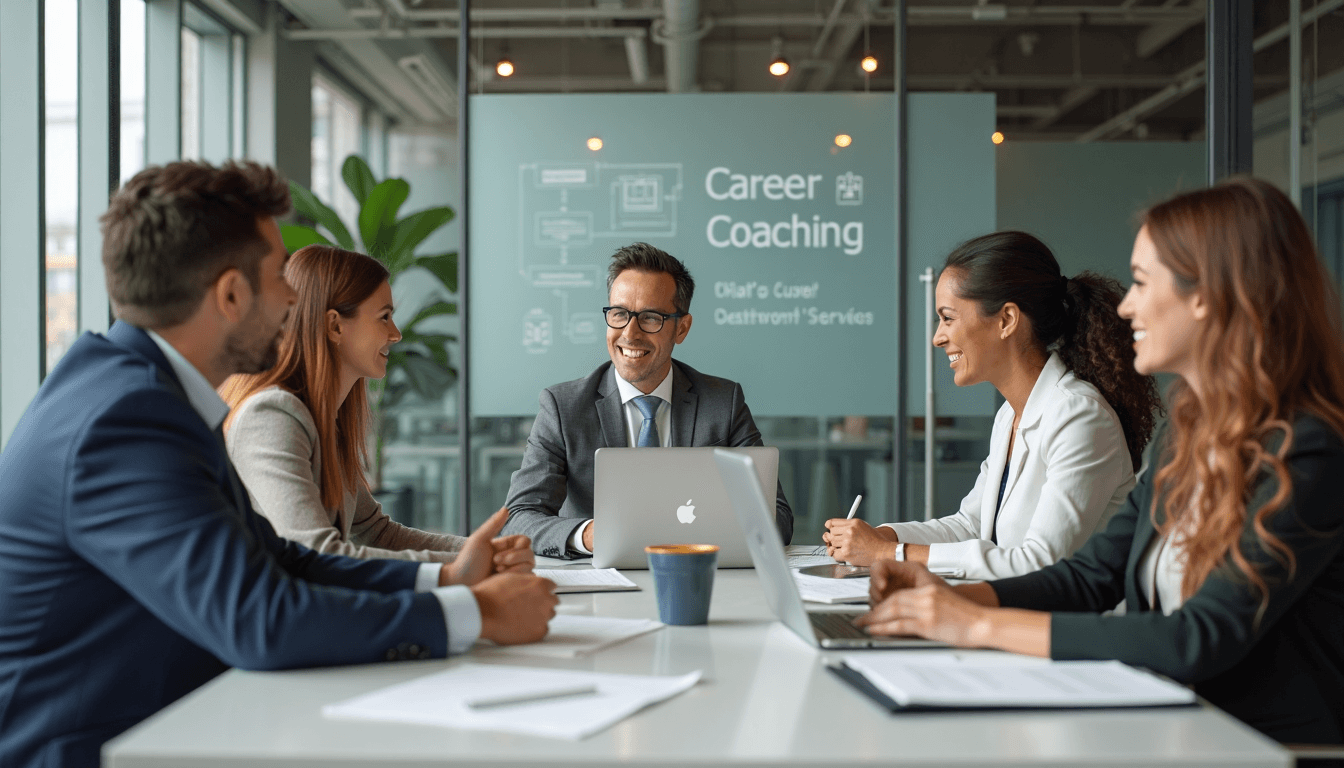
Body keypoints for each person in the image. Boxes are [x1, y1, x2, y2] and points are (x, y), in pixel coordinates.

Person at [0, 161, 558, 768]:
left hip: (174, 723)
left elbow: (277, 558)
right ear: (232, 294)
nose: (295, 296)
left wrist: (445, 578)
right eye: (277, 276)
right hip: (98, 748)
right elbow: (260, 620)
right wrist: (477, 613)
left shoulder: (141, 394)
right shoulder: (125, 420)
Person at [858, 178, 1344, 745]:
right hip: (1174, 723)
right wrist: (947, 597)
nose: (1127, 303)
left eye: (1141, 282)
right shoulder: (1184, 439)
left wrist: (976, 624)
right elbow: (1091, 577)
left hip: (1262, 746)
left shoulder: (1311, 450)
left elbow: (1198, 636)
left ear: (1205, 295)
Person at [824, 232, 1161, 580]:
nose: (938, 337)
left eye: (948, 318)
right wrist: (885, 537)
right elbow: (970, 525)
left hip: (1063, 627)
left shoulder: (1080, 417)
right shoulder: (1010, 415)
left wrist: (889, 553)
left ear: (1006, 321)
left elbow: (1039, 562)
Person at [219, 245, 519, 570]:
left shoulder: (323, 420)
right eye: (384, 317)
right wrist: (467, 566)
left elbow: (377, 533)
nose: (396, 334)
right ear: (335, 326)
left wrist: (489, 551)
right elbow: (319, 553)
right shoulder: (272, 417)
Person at [502, 242, 793, 558]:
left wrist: (691, 535)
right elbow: (518, 518)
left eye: (650, 318)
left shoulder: (723, 403)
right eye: (619, 314)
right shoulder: (563, 407)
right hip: (599, 587)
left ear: (681, 328)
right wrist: (587, 536)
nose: (630, 333)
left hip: (695, 574)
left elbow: (776, 516)